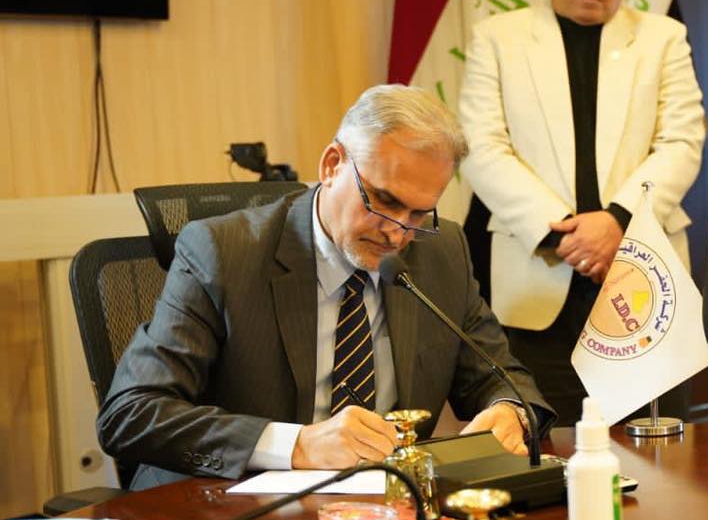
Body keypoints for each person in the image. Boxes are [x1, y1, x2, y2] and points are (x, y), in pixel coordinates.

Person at [98, 85, 552, 489]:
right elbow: (131, 412)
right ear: (332, 164)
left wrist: (509, 412)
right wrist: (297, 445)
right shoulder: (222, 253)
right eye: (384, 200)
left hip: (385, 511)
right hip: (238, 509)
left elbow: (504, 378)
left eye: (418, 214)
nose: (397, 232)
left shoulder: (440, 252)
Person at [458, 0, 705, 437]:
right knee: (546, 449)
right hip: (539, 280)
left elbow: (683, 141)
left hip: (644, 279)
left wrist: (617, 221)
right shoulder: (498, 38)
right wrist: (569, 234)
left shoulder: (663, 38)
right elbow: (481, 146)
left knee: (660, 451)